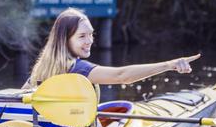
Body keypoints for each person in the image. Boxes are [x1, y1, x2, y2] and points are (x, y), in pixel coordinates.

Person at [24, 8, 199, 90]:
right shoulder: (77, 69)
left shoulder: (41, 69)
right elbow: (122, 76)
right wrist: (170, 64)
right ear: (64, 40)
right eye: (82, 36)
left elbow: (20, 96)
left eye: (91, 35)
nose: (90, 41)